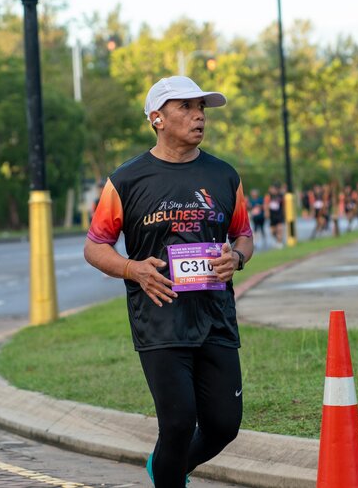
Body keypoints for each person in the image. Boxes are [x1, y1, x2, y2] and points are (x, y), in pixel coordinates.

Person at [84, 76, 253, 488]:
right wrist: (133, 269)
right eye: (186, 107)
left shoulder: (224, 175)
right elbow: (95, 246)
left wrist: (236, 258)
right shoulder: (126, 180)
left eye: (202, 108)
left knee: (223, 425)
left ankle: (165, 468)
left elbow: (243, 236)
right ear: (157, 119)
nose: (199, 116)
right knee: (177, 424)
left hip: (215, 316)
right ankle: (169, 473)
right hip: (160, 318)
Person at [265, 182, 285, 248]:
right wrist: (267, 212)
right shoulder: (268, 196)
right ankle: (278, 239)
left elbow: (284, 204)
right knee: (273, 231)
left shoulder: (280, 196)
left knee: (279, 229)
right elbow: (266, 205)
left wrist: (284, 213)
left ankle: (279, 242)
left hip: (279, 214)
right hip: (272, 215)